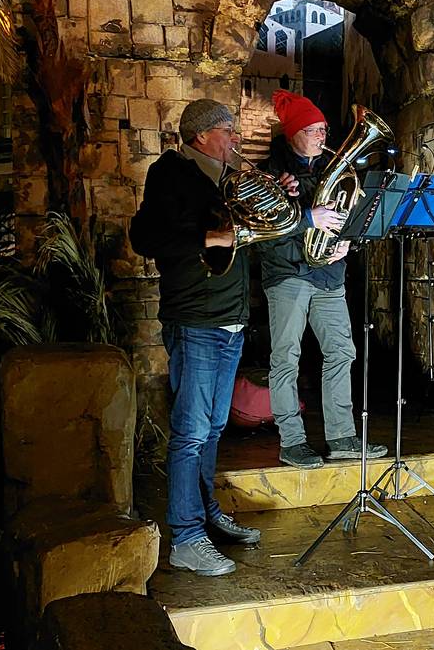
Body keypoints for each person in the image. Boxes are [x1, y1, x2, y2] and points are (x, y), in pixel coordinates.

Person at [130, 99, 286, 576]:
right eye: (228, 131)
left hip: (230, 318)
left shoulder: (226, 180)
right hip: (197, 319)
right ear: (201, 136)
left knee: (214, 428)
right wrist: (208, 238)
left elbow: (258, 234)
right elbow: (145, 238)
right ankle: (186, 535)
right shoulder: (171, 174)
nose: (237, 139)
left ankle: (205, 513)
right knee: (191, 432)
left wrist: (274, 200)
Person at [256, 90, 387, 470]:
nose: (321, 136)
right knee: (286, 358)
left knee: (342, 352)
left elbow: (350, 220)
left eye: (323, 129)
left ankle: (342, 436)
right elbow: (265, 232)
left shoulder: (332, 171)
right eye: (312, 129)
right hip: (288, 274)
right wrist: (306, 219)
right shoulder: (268, 172)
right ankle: (292, 441)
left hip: (330, 275)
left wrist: (347, 242)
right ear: (293, 132)